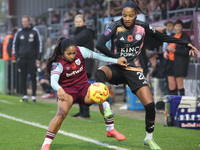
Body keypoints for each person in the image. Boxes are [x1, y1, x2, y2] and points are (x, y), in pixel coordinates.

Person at [95, 1, 199, 149]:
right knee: (100, 73)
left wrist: (184, 43)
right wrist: (115, 58)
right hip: (117, 67)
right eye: (125, 15)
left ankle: (149, 138)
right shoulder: (114, 26)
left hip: (135, 70)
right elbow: (99, 44)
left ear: (136, 14)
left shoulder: (142, 27)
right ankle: (106, 106)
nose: (128, 18)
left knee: (150, 105)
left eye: (131, 15)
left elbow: (162, 37)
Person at [40, 37, 127, 150]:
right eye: (69, 54)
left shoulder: (81, 51)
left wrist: (116, 60)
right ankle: (46, 144)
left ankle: (110, 129)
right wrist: (59, 89)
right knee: (61, 113)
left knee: (101, 93)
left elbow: (98, 56)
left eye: (73, 53)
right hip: (67, 91)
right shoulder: (58, 63)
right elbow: (53, 81)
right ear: (62, 52)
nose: (72, 56)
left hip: (83, 88)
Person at [13, 15, 42, 102]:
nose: (24, 23)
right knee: (23, 76)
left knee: (33, 76)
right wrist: (17, 57)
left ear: (29, 22)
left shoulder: (35, 31)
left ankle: (33, 96)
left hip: (32, 58)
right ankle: (25, 95)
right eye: (23, 22)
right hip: (22, 58)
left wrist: (38, 57)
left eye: (26, 21)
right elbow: (15, 45)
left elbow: (39, 45)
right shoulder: (19, 32)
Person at [72, 14, 94, 119]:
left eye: (80, 21)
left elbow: (74, 42)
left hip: (85, 64)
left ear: (84, 22)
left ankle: (85, 113)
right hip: (80, 64)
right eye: (76, 22)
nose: (78, 23)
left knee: (82, 88)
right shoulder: (78, 32)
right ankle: (82, 111)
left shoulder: (86, 32)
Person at [164, 19, 191, 96]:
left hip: (179, 64)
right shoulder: (172, 36)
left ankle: (182, 104)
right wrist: (166, 52)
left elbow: (187, 52)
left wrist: (174, 50)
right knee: (171, 86)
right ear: (174, 27)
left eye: (180, 26)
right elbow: (168, 47)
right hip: (170, 63)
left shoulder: (185, 38)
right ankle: (174, 104)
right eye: (177, 26)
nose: (178, 28)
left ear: (182, 27)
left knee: (180, 85)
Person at [2, 27, 18, 94]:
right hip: (10, 60)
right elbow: (9, 48)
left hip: (5, 59)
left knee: (7, 75)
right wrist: (11, 57)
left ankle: (8, 89)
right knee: (11, 75)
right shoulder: (11, 38)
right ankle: (11, 89)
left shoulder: (7, 37)